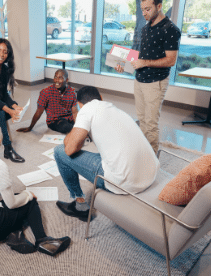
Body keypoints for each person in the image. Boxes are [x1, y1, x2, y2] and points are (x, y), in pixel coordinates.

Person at [0, 118, 71, 256]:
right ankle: (42, 241)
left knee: (15, 199)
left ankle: (15, 234)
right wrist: (28, 194)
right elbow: (11, 204)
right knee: (29, 202)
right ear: (0, 140)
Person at [54, 86, 159, 222]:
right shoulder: (114, 108)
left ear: (80, 105)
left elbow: (70, 149)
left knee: (59, 152)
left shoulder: (86, 110)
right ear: (101, 97)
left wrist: (76, 127)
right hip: (150, 173)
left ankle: (80, 206)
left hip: (125, 182)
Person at [115, 0, 181, 155]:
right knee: (142, 119)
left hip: (156, 82)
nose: (144, 13)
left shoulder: (170, 29)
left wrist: (144, 62)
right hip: (140, 79)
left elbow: (171, 60)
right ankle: (144, 152)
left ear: (159, 6)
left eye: (148, 9)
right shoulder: (145, 28)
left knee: (150, 124)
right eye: (142, 9)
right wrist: (124, 64)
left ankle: (151, 160)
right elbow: (141, 56)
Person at [17, 69, 78, 134]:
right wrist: (30, 127)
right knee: (67, 127)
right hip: (55, 121)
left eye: (60, 78)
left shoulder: (72, 92)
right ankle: (79, 133)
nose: (57, 80)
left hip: (69, 118)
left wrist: (79, 123)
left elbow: (74, 112)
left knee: (83, 123)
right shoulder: (45, 92)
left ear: (67, 80)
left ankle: (78, 131)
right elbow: (38, 112)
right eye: (55, 77)